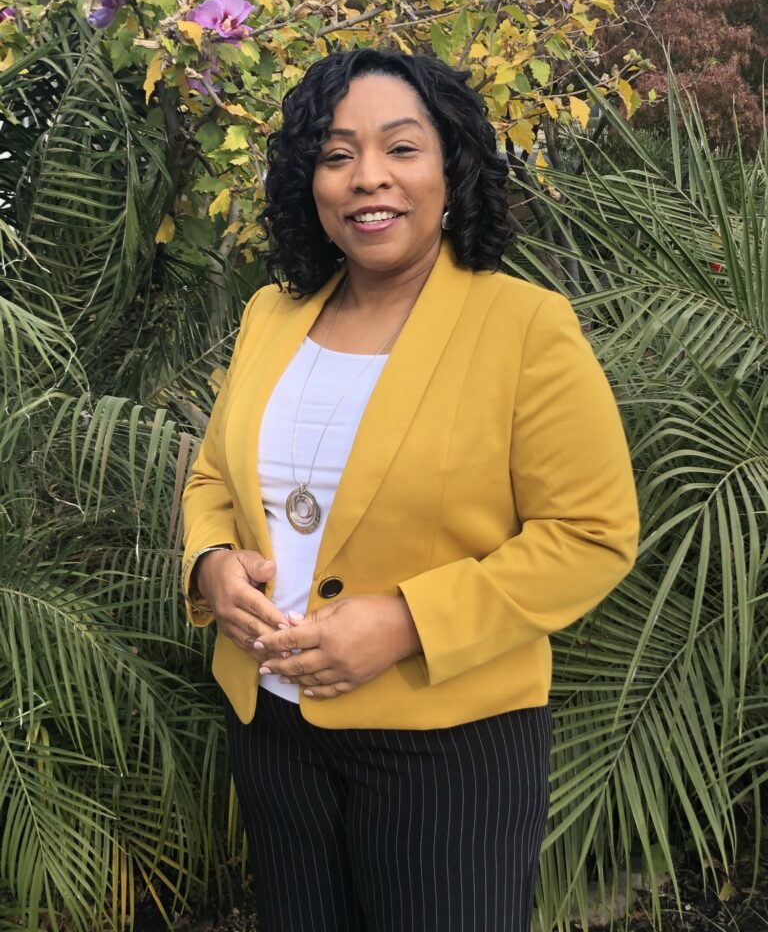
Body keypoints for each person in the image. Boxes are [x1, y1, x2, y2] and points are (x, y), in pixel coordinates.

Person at [181, 48, 640, 932]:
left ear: (450, 167)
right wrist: (208, 563)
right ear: (310, 180)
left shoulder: (523, 327)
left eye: (401, 148)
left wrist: (406, 621)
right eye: (338, 154)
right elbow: (212, 474)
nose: (368, 179)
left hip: (447, 745)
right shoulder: (271, 316)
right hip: (272, 725)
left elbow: (591, 533)